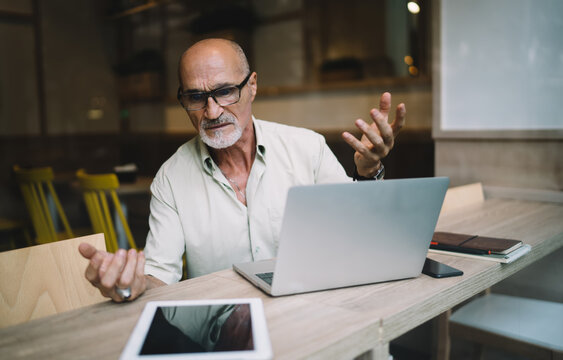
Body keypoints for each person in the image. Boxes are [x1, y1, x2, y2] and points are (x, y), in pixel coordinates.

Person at [79, 38, 406, 302]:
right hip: (223, 333)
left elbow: (358, 231)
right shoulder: (171, 178)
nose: (212, 110)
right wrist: (128, 284)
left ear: (252, 86)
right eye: (196, 96)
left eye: (224, 91)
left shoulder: (307, 148)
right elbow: (158, 278)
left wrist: (369, 170)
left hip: (310, 312)